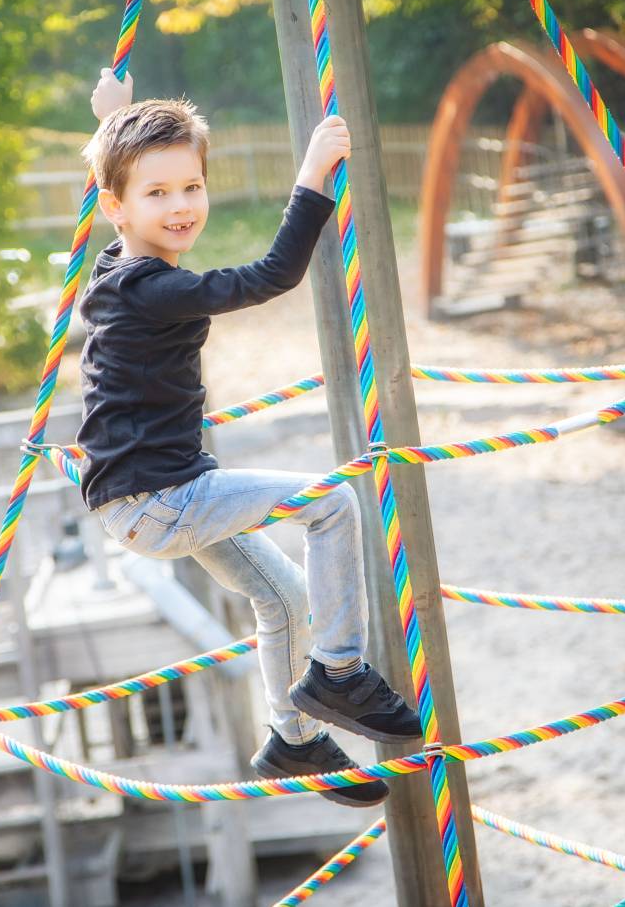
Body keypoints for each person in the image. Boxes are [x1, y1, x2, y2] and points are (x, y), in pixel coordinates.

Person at [74, 67, 420, 808]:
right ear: (117, 208)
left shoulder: (119, 267)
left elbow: (128, 169)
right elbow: (271, 275)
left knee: (286, 599)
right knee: (332, 504)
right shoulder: (155, 289)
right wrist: (312, 178)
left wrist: (116, 117)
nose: (178, 206)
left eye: (189, 188)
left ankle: (288, 738)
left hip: (144, 500)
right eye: (158, 196)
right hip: (165, 497)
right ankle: (337, 669)